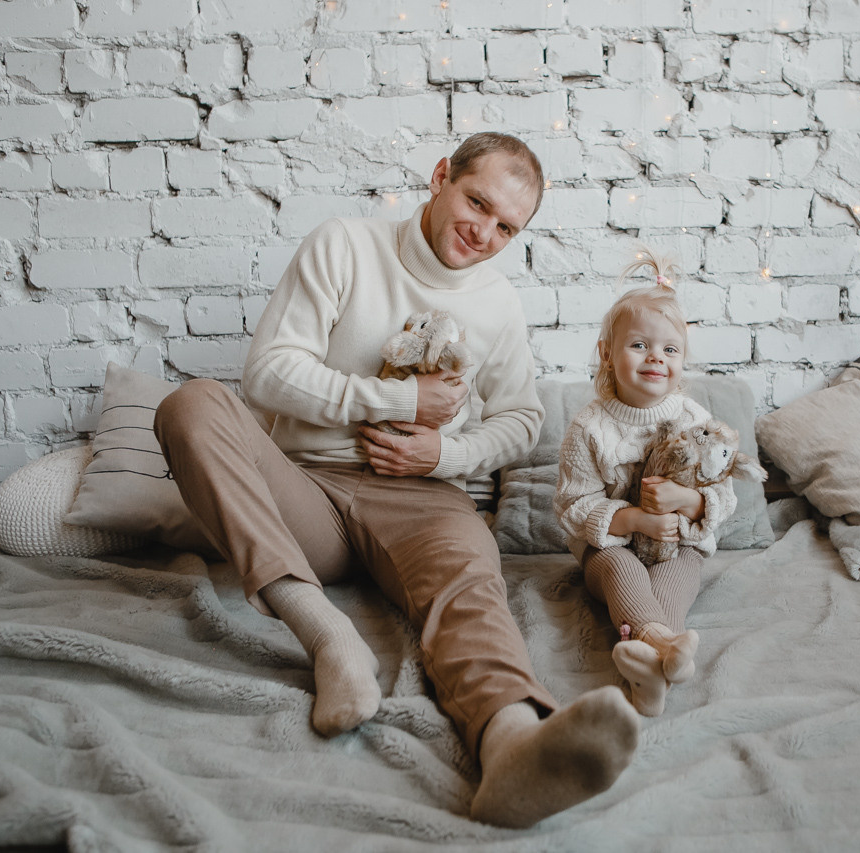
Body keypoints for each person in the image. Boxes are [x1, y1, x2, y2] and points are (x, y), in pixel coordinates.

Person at [152, 133, 639, 828]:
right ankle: (326, 634)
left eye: (507, 226)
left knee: (470, 585)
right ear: (440, 176)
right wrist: (403, 403)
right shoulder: (344, 245)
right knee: (189, 405)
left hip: (425, 500)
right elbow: (268, 372)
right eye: (477, 202)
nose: (484, 231)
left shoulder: (497, 303)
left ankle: (510, 741)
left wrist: (441, 452)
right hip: (305, 488)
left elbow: (523, 419)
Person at [554, 251, 740, 717]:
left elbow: (725, 492)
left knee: (675, 579)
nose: (656, 357)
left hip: (677, 546)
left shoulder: (694, 418)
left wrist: (689, 501)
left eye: (669, 349)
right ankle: (662, 644)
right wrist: (633, 519)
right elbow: (573, 504)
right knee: (623, 572)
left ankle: (651, 672)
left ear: (680, 360)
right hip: (608, 550)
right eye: (639, 345)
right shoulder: (590, 427)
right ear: (607, 354)